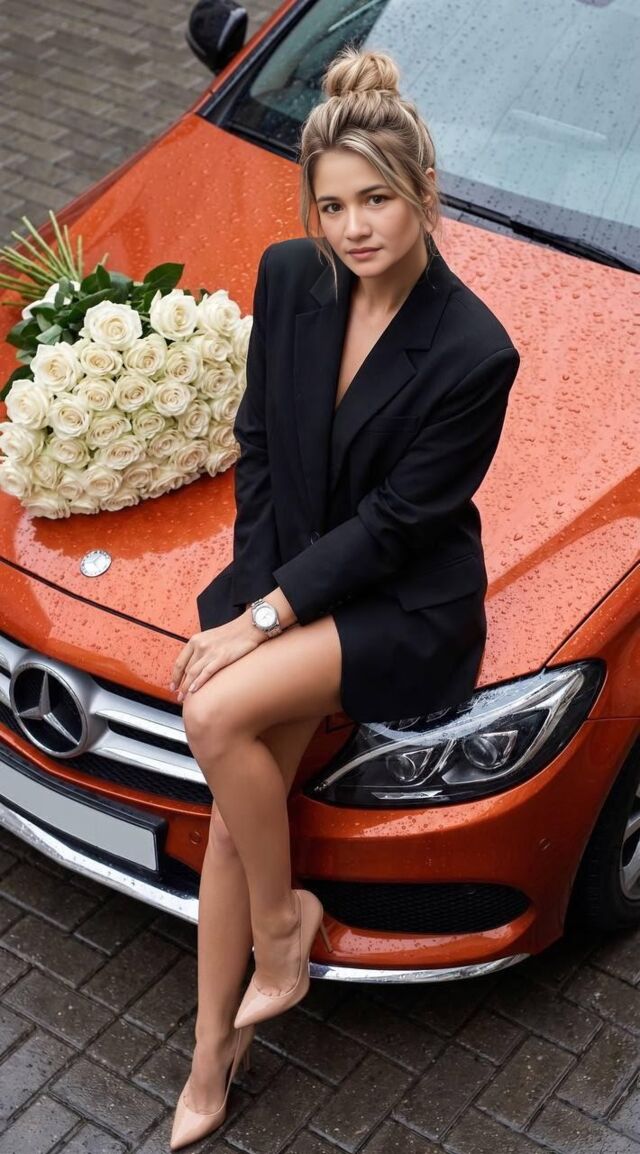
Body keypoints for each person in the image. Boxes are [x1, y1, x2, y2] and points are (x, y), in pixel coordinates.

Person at [169, 43, 520, 1149]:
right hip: (293, 573)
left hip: (400, 605)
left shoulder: (473, 350)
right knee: (237, 819)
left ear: (424, 191)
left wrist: (264, 620)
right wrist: (260, 590)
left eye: (377, 199)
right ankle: (211, 1055)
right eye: (332, 205)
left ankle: (284, 931)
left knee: (214, 712)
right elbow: (261, 448)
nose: (354, 227)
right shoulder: (290, 277)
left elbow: (400, 526)